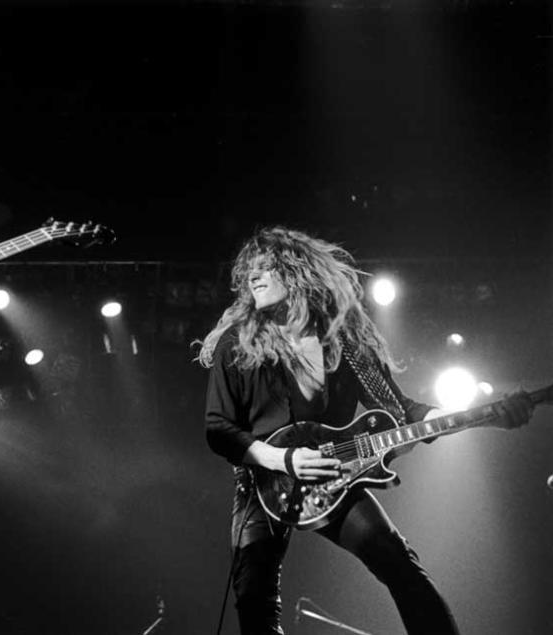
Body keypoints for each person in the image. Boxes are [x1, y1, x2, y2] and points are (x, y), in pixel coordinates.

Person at [198, 227, 532, 634]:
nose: (253, 276)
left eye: (265, 266)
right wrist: (284, 459)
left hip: (334, 476)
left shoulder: (343, 344)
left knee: (400, 566)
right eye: (249, 270)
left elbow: (404, 412)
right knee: (255, 601)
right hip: (262, 483)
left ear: (298, 272)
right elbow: (219, 429)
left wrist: (487, 416)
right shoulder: (237, 344)